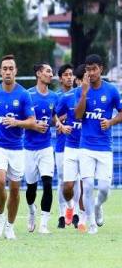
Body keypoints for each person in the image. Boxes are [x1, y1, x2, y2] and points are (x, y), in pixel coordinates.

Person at [0, 55, 38, 240]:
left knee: (15, 191)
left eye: (10, 68)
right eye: (4, 68)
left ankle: (10, 225)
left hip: (17, 149)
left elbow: (32, 121)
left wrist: (16, 122)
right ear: (1, 71)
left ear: (16, 71)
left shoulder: (24, 95)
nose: (7, 71)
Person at [74, 54, 122, 235]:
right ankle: (92, 224)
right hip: (85, 147)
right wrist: (84, 93)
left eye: (94, 69)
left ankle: (97, 206)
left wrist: (110, 122)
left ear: (101, 69)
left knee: (104, 189)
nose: (91, 72)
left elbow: (121, 113)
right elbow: (78, 115)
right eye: (88, 69)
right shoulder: (81, 90)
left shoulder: (111, 90)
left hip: (104, 148)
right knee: (86, 186)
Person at [23, 63, 61, 234]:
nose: (50, 74)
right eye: (47, 71)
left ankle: (44, 224)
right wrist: (34, 125)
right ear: (38, 74)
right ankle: (32, 211)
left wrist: (58, 123)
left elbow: (54, 117)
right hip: (29, 148)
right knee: (31, 188)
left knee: (47, 184)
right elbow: (21, 120)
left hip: (46, 148)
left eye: (52, 72)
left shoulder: (54, 97)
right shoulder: (28, 95)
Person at [57, 64, 85, 230]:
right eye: (79, 79)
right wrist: (61, 125)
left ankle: (81, 218)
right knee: (66, 184)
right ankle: (66, 209)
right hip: (66, 146)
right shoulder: (65, 98)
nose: (82, 83)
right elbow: (54, 117)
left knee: (84, 183)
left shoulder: (93, 97)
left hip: (86, 146)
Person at [54, 63, 75, 228]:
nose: (69, 77)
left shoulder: (81, 96)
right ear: (60, 79)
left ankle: (75, 214)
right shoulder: (56, 97)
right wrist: (60, 121)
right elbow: (51, 118)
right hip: (62, 144)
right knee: (62, 179)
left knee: (78, 180)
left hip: (78, 144)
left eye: (71, 74)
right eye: (66, 74)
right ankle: (62, 214)